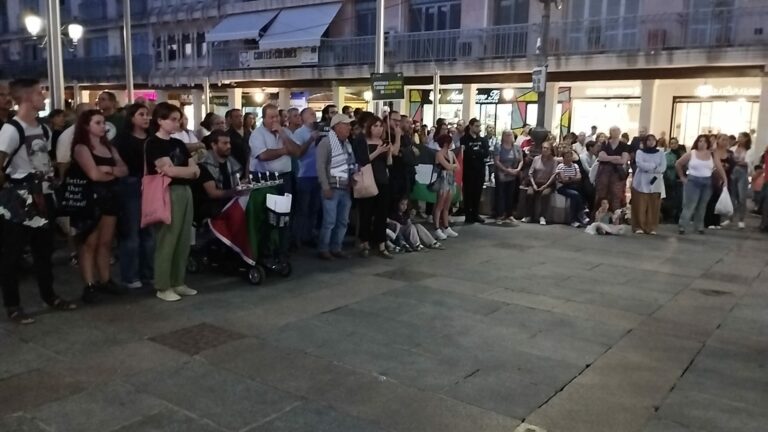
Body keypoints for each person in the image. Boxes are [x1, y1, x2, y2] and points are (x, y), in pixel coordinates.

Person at [0, 79, 77, 324]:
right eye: (38, 93)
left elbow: (44, 159)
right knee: (13, 254)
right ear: (26, 97)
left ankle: (49, 295)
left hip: (43, 196)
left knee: (44, 251)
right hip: (20, 198)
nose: (43, 97)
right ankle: (13, 305)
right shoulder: (11, 129)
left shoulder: (43, 129)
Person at [68, 109, 128, 302]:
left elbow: (124, 169)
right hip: (90, 199)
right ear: (87, 126)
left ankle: (105, 279)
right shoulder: (81, 148)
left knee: (106, 241)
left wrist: (108, 169)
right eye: (98, 123)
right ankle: (89, 284)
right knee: (89, 242)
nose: (103, 127)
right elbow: (93, 175)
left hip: (109, 197)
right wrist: (112, 173)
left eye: (103, 122)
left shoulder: (109, 147)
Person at [146, 102, 200, 302]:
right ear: (160, 120)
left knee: (184, 238)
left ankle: (178, 280)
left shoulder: (178, 143)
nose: (177, 123)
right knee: (167, 238)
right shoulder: (153, 143)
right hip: (166, 191)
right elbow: (168, 170)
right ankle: (163, 284)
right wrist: (187, 171)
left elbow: (195, 170)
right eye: (173, 119)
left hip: (184, 191)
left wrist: (184, 171)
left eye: (179, 119)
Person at [250, 104, 303, 260]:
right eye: (271, 117)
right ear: (264, 118)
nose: (275, 120)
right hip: (266, 179)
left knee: (284, 216)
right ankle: (266, 250)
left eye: (276, 116)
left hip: (285, 178)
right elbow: (263, 155)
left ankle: (283, 251)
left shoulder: (285, 132)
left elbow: (297, 151)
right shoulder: (257, 134)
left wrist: (283, 135)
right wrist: (284, 150)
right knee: (268, 217)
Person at [115, 103, 155, 290]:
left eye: (147, 114)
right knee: (131, 232)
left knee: (149, 232)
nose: (146, 118)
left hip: (150, 185)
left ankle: (148, 273)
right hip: (131, 185)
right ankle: (130, 275)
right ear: (131, 118)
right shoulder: (122, 140)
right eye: (141, 114)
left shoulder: (152, 139)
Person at [353, 115, 399, 258]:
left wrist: (388, 153)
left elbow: (389, 163)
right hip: (368, 179)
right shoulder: (363, 141)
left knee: (382, 214)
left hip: (383, 180)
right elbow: (363, 160)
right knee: (366, 213)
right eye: (375, 126)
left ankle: (381, 244)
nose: (378, 129)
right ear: (369, 127)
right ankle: (364, 242)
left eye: (380, 126)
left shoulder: (383, 141)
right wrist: (378, 151)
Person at [315, 113, 354, 260]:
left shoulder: (347, 143)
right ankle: (324, 248)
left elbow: (351, 162)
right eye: (346, 124)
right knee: (330, 221)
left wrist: (352, 178)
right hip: (332, 187)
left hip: (345, 187)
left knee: (343, 221)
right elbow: (320, 165)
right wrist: (325, 186)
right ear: (337, 126)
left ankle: (336, 247)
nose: (349, 127)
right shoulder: (326, 142)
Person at [675, 134, 727, 235]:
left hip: (707, 182)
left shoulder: (712, 154)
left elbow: (719, 167)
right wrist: (682, 177)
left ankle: (699, 226)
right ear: (697, 142)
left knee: (702, 205)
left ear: (708, 143)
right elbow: (678, 164)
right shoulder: (692, 153)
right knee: (690, 205)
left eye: (704, 141)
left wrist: (725, 179)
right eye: (700, 141)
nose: (702, 143)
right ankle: (682, 225)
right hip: (693, 181)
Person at [290, 107, 321, 247]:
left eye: (315, 114)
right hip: (304, 175)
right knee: (302, 208)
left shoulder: (320, 131)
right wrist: (310, 140)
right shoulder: (299, 133)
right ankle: (298, 237)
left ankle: (309, 235)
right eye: (311, 114)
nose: (314, 116)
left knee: (314, 208)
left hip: (318, 174)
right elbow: (298, 153)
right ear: (303, 118)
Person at [197, 129, 244, 220]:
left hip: (230, 204)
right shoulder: (204, 165)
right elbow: (212, 193)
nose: (229, 146)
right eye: (225, 143)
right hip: (211, 209)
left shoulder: (233, 162)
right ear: (214, 145)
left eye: (229, 143)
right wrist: (234, 191)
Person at [631, 134, 666, 235]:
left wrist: (650, 168)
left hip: (656, 182)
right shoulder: (640, 152)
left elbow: (662, 167)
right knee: (640, 205)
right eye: (649, 140)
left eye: (653, 140)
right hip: (641, 181)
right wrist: (654, 166)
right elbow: (640, 164)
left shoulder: (661, 153)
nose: (651, 142)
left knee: (654, 206)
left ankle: (651, 227)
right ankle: (638, 226)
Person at [460, 118, 490, 224]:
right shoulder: (464, 139)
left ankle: (475, 214)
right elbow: (466, 154)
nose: (479, 128)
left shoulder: (483, 140)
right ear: (471, 126)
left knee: (477, 193)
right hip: (468, 170)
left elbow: (486, 153)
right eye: (476, 126)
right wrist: (476, 152)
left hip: (480, 170)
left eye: (479, 126)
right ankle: (468, 215)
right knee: (468, 193)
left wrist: (475, 152)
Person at [595, 126, 630, 212]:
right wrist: (616, 157)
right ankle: (599, 214)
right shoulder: (605, 143)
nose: (615, 132)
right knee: (602, 193)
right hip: (604, 172)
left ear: (620, 132)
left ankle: (615, 215)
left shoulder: (623, 145)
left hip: (617, 173)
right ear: (610, 132)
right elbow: (601, 157)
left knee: (616, 194)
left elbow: (623, 160)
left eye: (617, 130)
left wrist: (608, 158)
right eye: (613, 130)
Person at [432, 134, 459, 240]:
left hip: (450, 180)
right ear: (446, 143)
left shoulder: (451, 153)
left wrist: (451, 167)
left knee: (447, 205)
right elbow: (447, 166)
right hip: (442, 180)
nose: (452, 144)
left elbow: (457, 167)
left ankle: (446, 227)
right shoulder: (439, 154)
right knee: (439, 205)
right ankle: (436, 228)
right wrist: (452, 166)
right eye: (450, 142)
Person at [704, 134, 734, 230]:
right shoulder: (713, 152)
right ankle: (708, 221)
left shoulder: (730, 153)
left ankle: (717, 221)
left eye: (726, 140)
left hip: (726, 178)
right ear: (718, 140)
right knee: (711, 200)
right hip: (713, 178)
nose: (725, 142)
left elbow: (732, 166)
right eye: (723, 139)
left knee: (720, 200)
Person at [523, 141, 557, 225]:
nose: (544, 150)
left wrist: (545, 186)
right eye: (543, 148)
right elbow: (530, 173)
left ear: (550, 150)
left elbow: (553, 175)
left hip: (548, 184)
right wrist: (534, 184)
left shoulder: (553, 161)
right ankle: (528, 216)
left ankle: (542, 216)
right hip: (535, 182)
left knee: (545, 194)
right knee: (529, 193)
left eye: (547, 148)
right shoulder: (536, 159)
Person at [388, 111, 417, 210]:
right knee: (397, 199)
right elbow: (395, 152)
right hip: (396, 172)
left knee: (406, 196)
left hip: (407, 171)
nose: (410, 125)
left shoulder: (406, 136)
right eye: (407, 122)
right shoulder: (392, 136)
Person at [493, 130, 523, 224]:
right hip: (502, 173)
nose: (509, 136)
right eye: (507, 135)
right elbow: (497, 161)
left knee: (510, 195)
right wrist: (506, 170)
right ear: (503, 136)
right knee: (501, 195)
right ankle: (499, 215)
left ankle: (509, 214)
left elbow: (521, 160)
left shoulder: (516, 147)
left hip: (513, 173)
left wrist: (518, 169)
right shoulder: (499, 147)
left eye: (511, 134)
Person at [556, 150, 589, 228]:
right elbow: (563, 180)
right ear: (563, 158)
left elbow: (579, 177)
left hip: (573, 186)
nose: (569, 159)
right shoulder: (560, 166)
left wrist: (570, 178)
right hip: (562, 187)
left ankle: (574, 219)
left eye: (570, 157)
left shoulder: (575, 166)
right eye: (567, 157)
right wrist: (573, 178)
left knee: (575, 195)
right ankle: (581, 212)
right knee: (576, 193)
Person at [728, 132, 751, 229]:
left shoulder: (749, 150)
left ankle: (741, 219)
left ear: (746, 139)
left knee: (742, 198)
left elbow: (747, 163)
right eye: (739, 137)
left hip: (743, 174)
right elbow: (729, 159)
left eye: (741, 137)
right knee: (732, 197)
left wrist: (736, 162)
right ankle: (730, 218)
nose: (739, 138)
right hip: (733, 172)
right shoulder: (733, 148)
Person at [661, 137, 686, 223]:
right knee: (669, 199)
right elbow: (667, 164)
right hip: (670, 178)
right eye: (672, 143)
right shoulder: (667, 155)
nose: (674, 145)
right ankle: (668, 216)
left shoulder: (683, 154)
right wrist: (678, 163)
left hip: (680, 179)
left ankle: (677, 217)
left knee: (679, 199)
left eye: (675, 143)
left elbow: (686, 164)